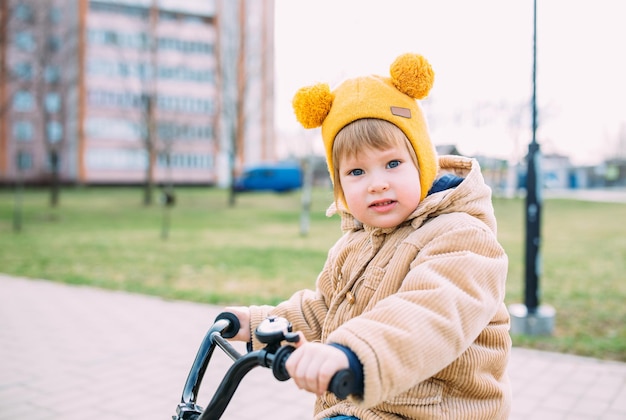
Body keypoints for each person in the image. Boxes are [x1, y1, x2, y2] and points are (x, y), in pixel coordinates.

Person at [225, 52, 511, 419]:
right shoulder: (356, 245)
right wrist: (259, 324)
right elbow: (326, 311)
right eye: (356, 172)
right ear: (339, 185)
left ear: (422, 164)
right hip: (367, 410)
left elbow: (430, 314)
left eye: (392, 164)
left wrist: (350, 354)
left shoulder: (463, 237)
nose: (377, 184)